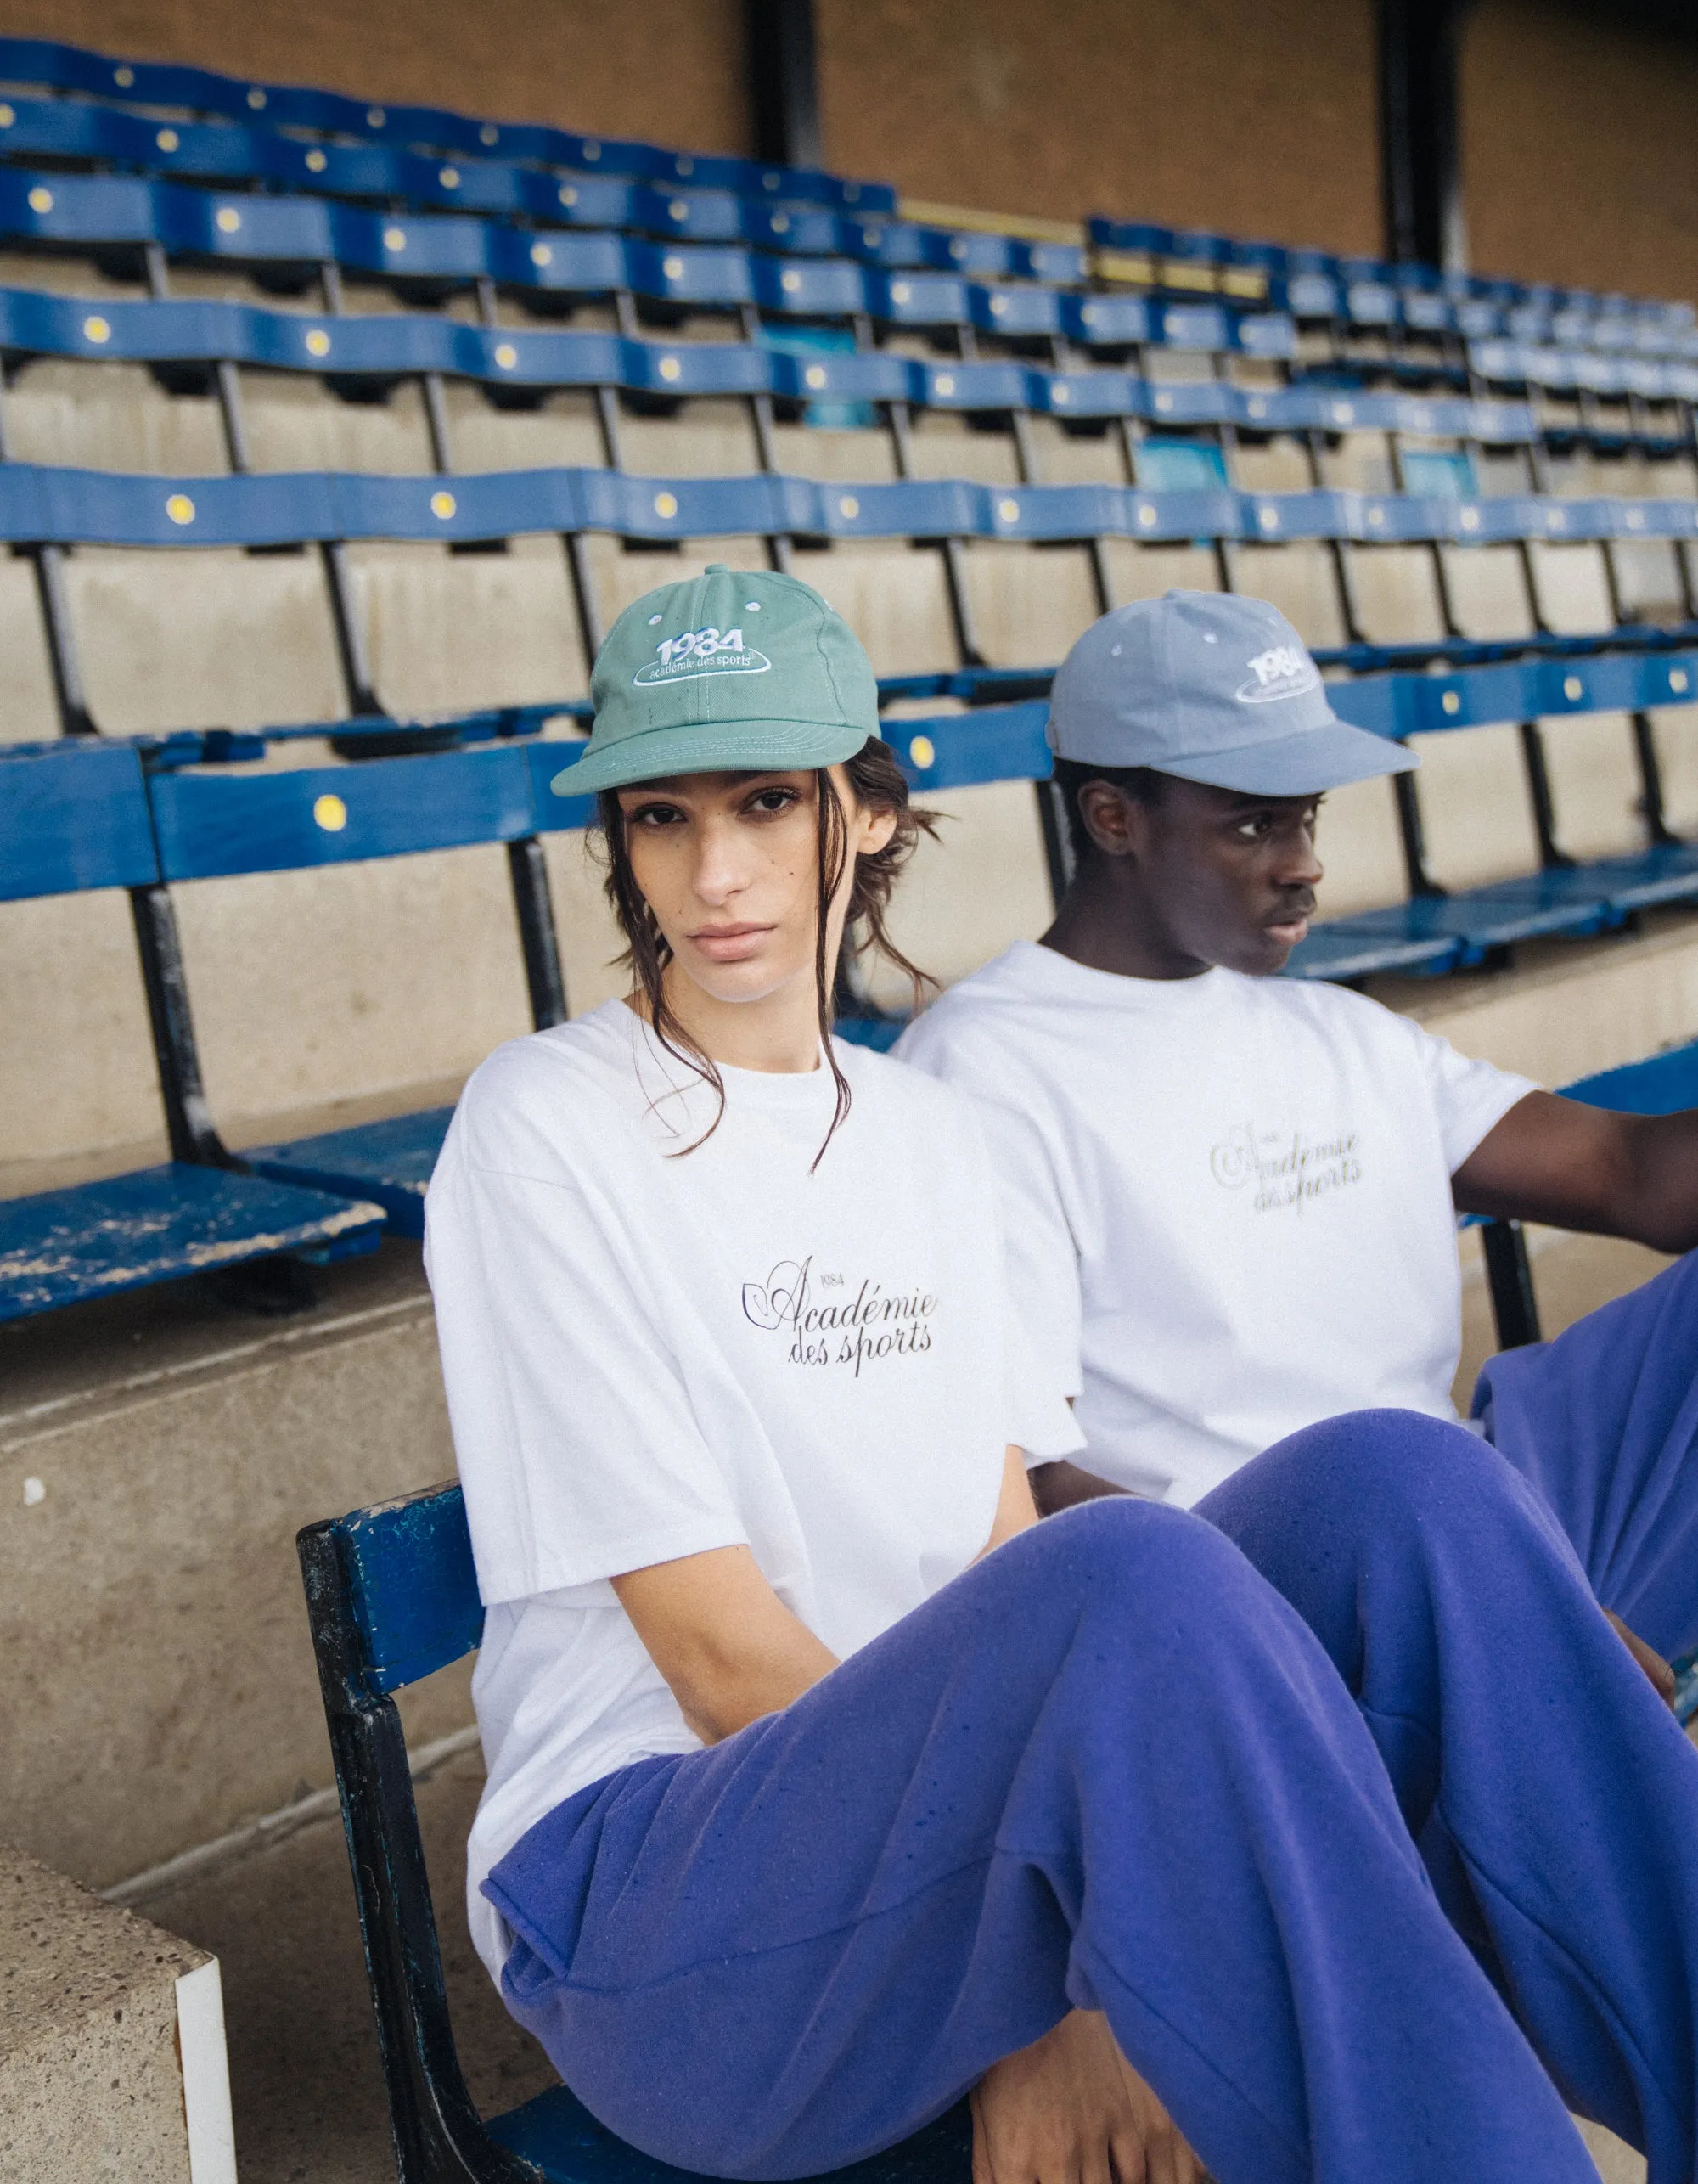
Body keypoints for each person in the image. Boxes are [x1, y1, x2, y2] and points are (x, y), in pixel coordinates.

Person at [425, 564, 1698, 2184]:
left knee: (1406, 1475)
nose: (719, 872)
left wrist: (1073, 1941)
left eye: (763, 802)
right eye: (663, 819)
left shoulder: (938, 1143)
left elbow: (999, 1557)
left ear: (865, 817)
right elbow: (723, 1669)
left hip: (936, 1858)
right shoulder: (546, 1127)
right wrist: (1053, 1980)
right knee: (1136, 1571)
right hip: (665, 1909)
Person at [897, 588, 1698, 1679]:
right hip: (1271, 1608)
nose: (1303, 861)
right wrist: (1473, 1604)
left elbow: (1632, 1176)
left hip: (1478, 1517)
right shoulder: (983, 1072)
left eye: (1305, 814)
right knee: (1390, 1472)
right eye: (1250, 821)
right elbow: (1033, 1482)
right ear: (1111, 817)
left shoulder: (1337, 1030)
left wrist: (1498, 1581)